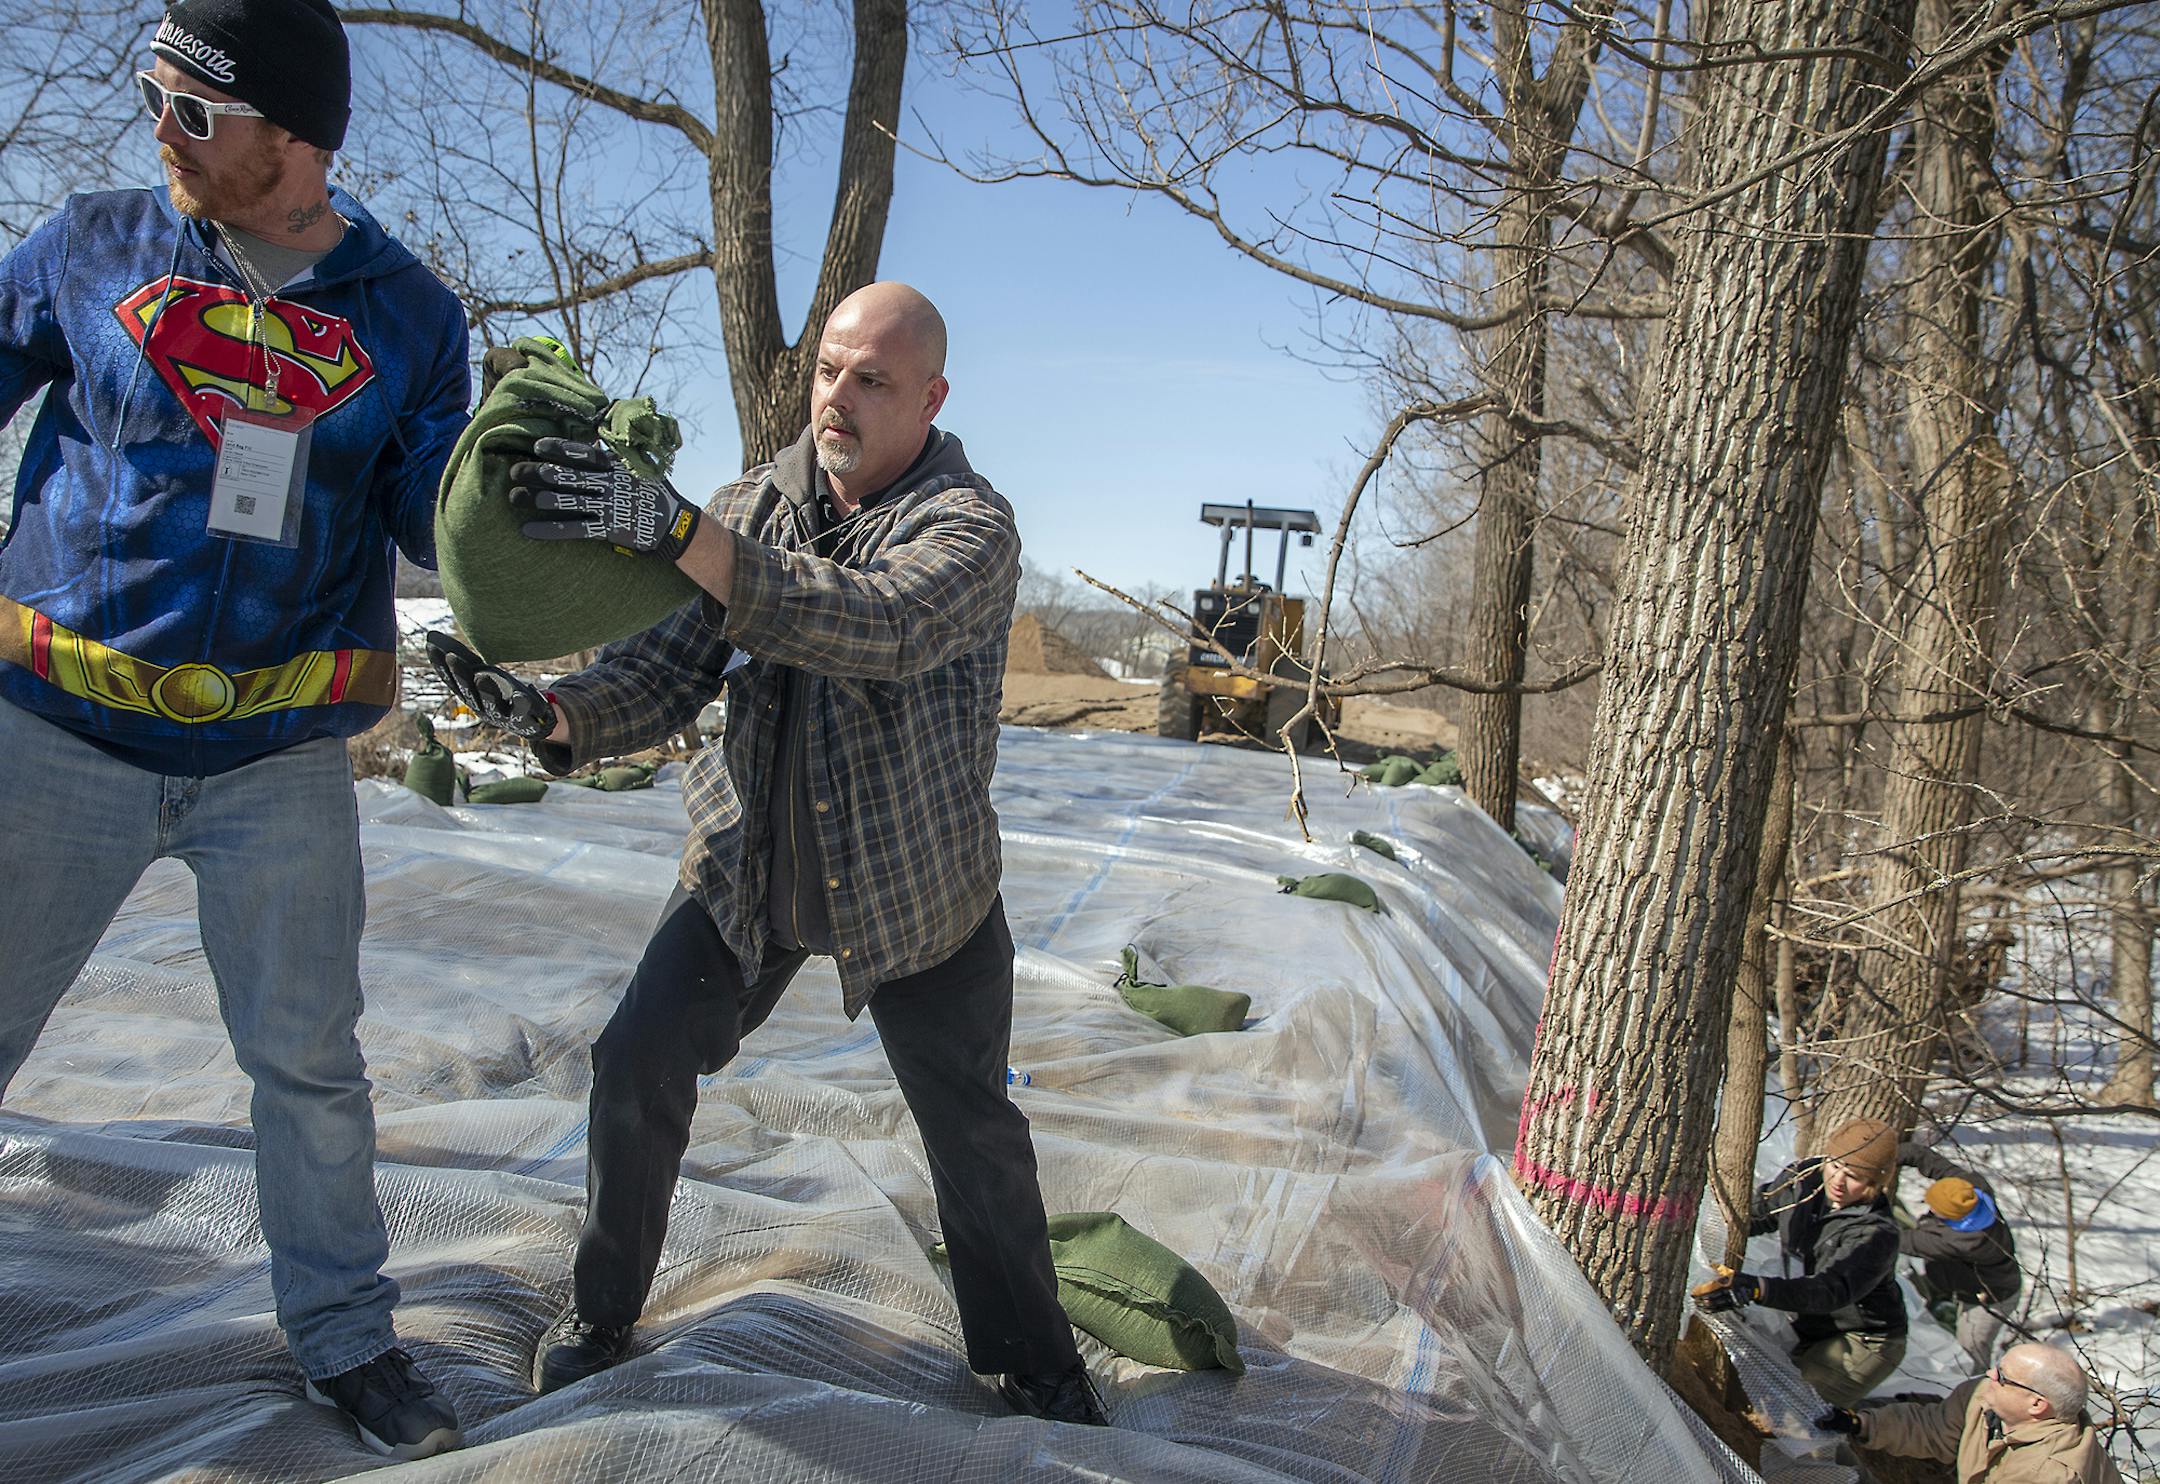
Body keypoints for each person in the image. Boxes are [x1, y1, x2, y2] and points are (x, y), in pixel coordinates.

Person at [427, 281, 1110, 1426]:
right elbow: (663, 670)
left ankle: (1037, 1364)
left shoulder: (970, 527)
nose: (838, 396)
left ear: (931, 398)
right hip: (750, 867)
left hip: (915, 884)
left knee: (973, 1132)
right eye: (829, 370)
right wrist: (552, 713)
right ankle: (602, 1311)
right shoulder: (750, 505)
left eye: (872, 380)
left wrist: (680, 532)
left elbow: (875, 623)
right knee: (636, 1058)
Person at [0, 0, 468, 1460]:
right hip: (55, 731)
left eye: (196, 111)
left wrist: (521, 487)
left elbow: (438, 523)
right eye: (153, 96)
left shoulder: (409, 314)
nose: (162, 130)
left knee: (310, 1063)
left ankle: (346, 1336)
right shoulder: (92, 245)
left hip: (278, 759)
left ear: (297, 137)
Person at [1694, 1117, 1909, 1406]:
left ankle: (1873, 1423)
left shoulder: (1876, 1233)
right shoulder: (1804, 1180)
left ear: (1875, 1184)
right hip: (1807, 1320)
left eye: (1853, 1176)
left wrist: (1758, 1288)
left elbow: (1828, 1290)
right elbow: (1757, 1215)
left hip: (1861, 1338)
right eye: (1835, 1165)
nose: (1838, 1181)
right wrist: (1704, 1230)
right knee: (1749, 1394)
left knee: (1802, 1417)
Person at [1815, 1342, 2123, 1483]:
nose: (1989, 1374)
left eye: (2003, 1376)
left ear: (2036, 1405)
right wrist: (1861, 1424)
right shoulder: (1984, 1398)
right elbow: (1934, 1428)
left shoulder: (2052, 1473)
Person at [1899, 1136, 2023, 1372]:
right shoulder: (1973, 1191)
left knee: (1971, 1353)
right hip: (1964, 1279)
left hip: (1990, 1298)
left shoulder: (1963, 1241)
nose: (1928, 1208)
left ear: (1948, 1215)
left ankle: (1975, 1391)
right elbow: (1930, 1161)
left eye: (1934, 1207)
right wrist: (1892, 1154)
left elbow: (1901, 1240)